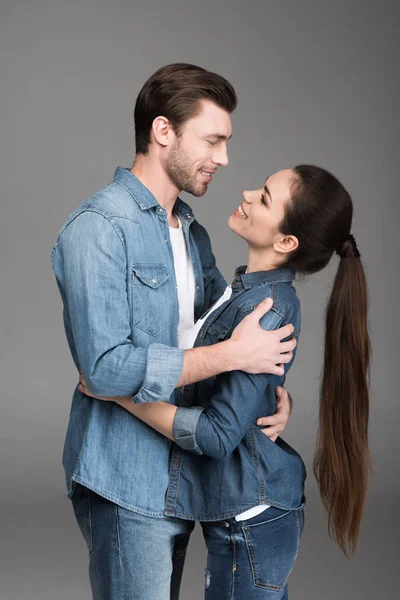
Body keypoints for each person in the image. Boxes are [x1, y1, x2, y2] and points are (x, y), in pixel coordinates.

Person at [51, 63, 296, 600]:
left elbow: (211, 337)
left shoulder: (192, 231)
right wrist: (233, 356)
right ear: (164, 132)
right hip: (123, 479)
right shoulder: (99, 227)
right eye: (213, 140)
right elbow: (105, 367)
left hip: (182, 476)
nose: (225, 159)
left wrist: (271, 395)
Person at [81, 164, 371, 599]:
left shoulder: (266, 309)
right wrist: (270, 397)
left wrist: (124, 396)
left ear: (286, 242)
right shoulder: (242, 290)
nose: (249, 193)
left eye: (266, 198)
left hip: (251, 517)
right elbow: (233, 383)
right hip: (241, 512)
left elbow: (217, 435)